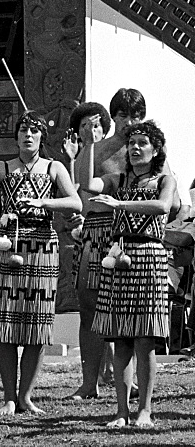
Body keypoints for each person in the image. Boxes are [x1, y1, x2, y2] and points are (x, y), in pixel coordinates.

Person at [0, 111, 81, 415]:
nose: (28, 135)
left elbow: (75, 203)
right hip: (8, 244)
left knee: (36, 323)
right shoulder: (3, 167)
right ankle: (9, 398)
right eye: (23, 131)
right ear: (16, 137)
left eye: (34, 131)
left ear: (42, 137)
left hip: (41, 244)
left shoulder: (54, 168)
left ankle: (26, 396)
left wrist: (44, 203)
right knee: (6, 322)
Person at [81, 120, 173, 428]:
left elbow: (162, 207)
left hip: (149, 257)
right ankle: (121, 411)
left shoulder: (164, 179)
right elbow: (88, 185)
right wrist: (87, 147)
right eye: (131, 143)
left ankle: (144, 410)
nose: (134, 148)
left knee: (145, 340)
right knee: (121, 341)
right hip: (118, 258)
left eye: (142, 143)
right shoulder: (117, 178)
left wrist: (120, 204)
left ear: (155, 148)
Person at [63, 101, 114, 399]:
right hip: (87, 235)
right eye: (83, 125)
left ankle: (114, 372)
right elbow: (75, 193)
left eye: (95, 125)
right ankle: (90, 380)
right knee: (89, 306)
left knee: (114, 305)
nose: (90, 130)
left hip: (112, 233)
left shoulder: (111, 152)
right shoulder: (76, 155)